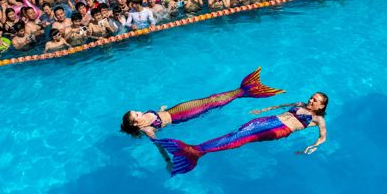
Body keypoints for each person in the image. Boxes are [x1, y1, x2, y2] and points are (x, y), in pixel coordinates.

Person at [155, 92, 329, 175]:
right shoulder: (299, 103)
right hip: (270, 119)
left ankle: (196, 151)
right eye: (312, 97)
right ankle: (196, 151)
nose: (311, 100)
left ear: (321, 106)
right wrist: (263, 109)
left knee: (243, 138)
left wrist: (313, 146)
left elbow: (323, 137)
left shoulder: (318, 119)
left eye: (315, 100)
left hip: (280, 129)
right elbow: (281, 106)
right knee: (239, 132)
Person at [120, 68, 283, 139]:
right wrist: (168, 160)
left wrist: (161, 109)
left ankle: (243, 91)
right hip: (181, 116)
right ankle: (243, 91)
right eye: (136, 113)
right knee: (211, 103)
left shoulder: (145, 116)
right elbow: (159, 145)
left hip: (176, 109)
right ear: (135, 122)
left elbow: (157, 113)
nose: (138, 111)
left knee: (210, 99)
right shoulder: (148, 130)